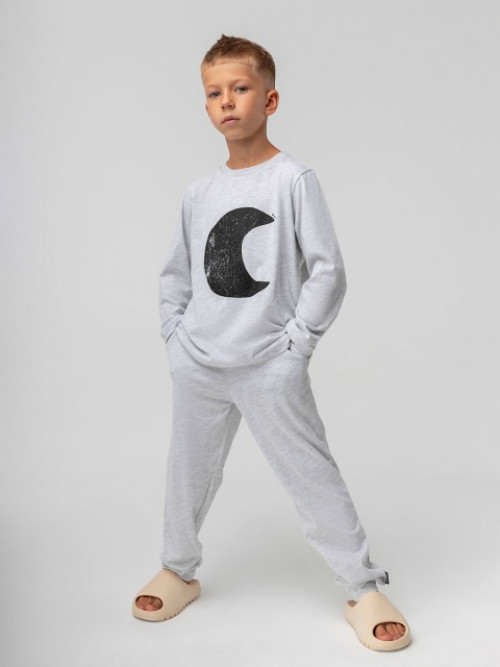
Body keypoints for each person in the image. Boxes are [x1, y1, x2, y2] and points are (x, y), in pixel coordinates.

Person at [132, 34, 411, 652]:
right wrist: (175, 335)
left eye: (240, 88)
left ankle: (362, 585)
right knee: (188, 471)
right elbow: (176, 273)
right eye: (214, 93)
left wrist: (297, 346)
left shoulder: (293, 179)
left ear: (270, 99)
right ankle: (177, 569)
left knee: (311, 473)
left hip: (268, 364)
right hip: (200, 362)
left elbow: (328, 269)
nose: (227, 102)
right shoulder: (199, 192)